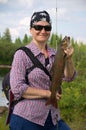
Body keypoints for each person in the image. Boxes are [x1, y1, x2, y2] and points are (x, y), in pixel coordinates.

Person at [9, 10, 76, 130]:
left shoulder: (57, 54)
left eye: (47, 27)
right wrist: (48, 94)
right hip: (26, 118)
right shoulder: (21, 54)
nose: (43, 31)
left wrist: (69, 59)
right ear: (31, 29)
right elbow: (17, 88)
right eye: (38, 27)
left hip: (53, 116)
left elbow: (69, 77)